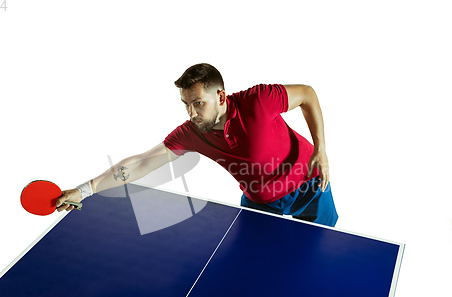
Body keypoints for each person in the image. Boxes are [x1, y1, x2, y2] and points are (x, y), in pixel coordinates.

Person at [56, 63, 338, 227]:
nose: (191, 113)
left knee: (320, 250)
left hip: (309, 184)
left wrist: (321, 149)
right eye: (186, 105)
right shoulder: (192, 133)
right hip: (260, 200)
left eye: (199, 103)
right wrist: (85, 190)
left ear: (222, 96)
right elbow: (141, 162)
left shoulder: (259, 100)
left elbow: (307, 95)